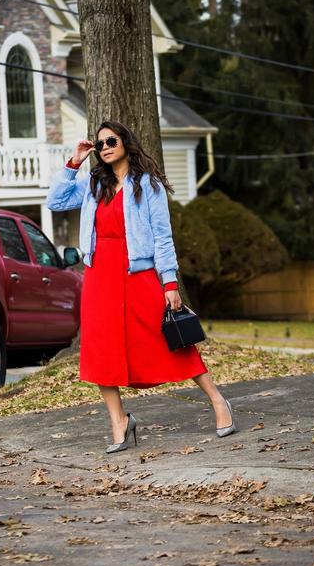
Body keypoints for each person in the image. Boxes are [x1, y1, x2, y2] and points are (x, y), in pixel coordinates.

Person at [46, 120, 236, 454]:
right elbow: (56, 202)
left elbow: (163, 236)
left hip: (138, 271)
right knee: (100, 347)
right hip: (100, 274)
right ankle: (119, 420)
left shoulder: (147, 185)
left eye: (111, 141)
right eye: (100, 143)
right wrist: (74, 162)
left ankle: (219, 402)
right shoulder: (93, 183)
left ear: (126, 143)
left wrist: (170, 282)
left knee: (171, 340)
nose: (105, 147)